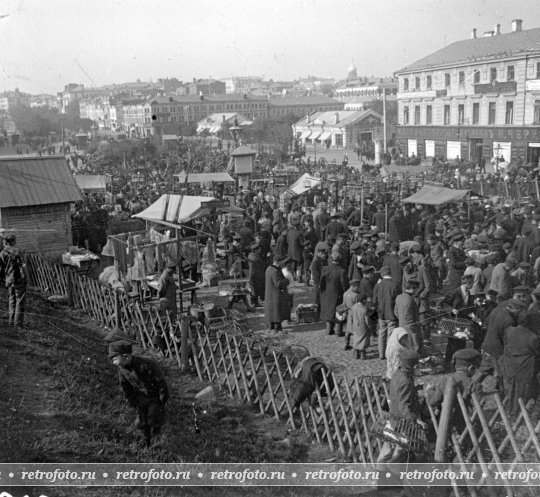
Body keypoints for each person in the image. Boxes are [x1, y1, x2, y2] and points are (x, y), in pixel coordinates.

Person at [109, 340, 169, 447]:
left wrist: (162, 399)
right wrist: (131, 399)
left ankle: (157, 442)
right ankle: (146, 442)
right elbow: (125, 386)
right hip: (140, 398)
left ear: (126, 356)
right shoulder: (122, 368)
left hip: (154, 397)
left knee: (154, 419)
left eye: (115, 358)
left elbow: (161, 382)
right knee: (141, 422)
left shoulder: (147, 364)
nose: (113, 362)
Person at [500, 312, 540, 415]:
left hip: (509, 364)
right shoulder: (533, 337)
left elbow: (506, 344)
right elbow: (537, 351)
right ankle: (516, 412)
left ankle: (508, 409)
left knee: (510, 387)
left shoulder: (509, 330)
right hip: (524, 367)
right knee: (521, 390)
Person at [0, 234, 27, 327]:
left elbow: (1, 268)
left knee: (12, 300)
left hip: (9, 280)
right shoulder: (18, 251)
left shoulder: (2, 252)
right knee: (20, 301)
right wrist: (25, 278)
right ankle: (18, 324)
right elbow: (22, 267)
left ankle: (11, 321)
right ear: (13, 242)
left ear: (5, 242)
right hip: (18, 279)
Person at [373, 266, 399, 359]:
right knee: (391, 335)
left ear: (381, 274)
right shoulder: (394, 285)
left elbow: (374, 300)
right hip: (392, 314)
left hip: (381, 314)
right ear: (390, 273)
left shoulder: (378, 285)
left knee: (381, 334)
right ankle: (390, 354)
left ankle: (381, 354)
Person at [319, 252, 348, 335]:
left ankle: (329, 329)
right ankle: (338, 330)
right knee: (339, 311)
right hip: (337, 294)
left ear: (331, 260)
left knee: (329, 310)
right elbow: (344, 285)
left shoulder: (324, 269)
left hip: (326, 294)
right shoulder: (342, 271)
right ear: (340, 260)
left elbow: (321, 282)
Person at [264, 255, 290, 332]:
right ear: (278, 262)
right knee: (276, 311)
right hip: (275, 294)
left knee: (271, 311)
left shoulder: (269, 268)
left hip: (270, 293)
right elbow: (278, 284)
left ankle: (271, 327)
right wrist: (286, 280)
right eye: (282, 261)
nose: (283, 263)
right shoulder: (275, 271)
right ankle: (277, 328)